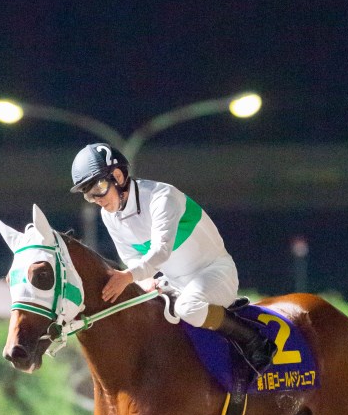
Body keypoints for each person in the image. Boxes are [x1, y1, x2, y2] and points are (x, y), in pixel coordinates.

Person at [70, 142, 276, 378]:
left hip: (215, 273)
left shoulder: (162, 197)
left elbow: (161, 251)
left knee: (187, 307)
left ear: (117, 176)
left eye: (98, 188)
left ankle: (253, 340)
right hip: (174, 283)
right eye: (88, 194)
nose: (96, 199)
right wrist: (144, 281)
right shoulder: (110, 216)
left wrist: (128, 277)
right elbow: (131, 258)